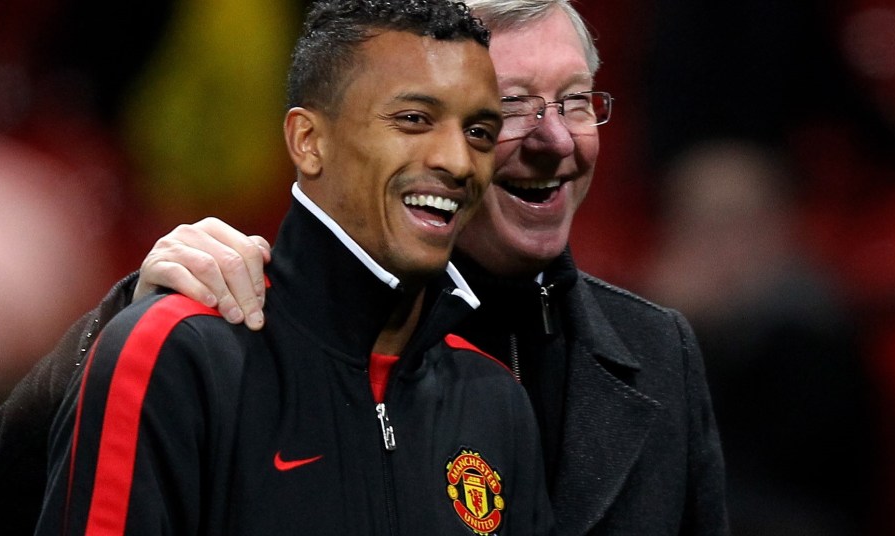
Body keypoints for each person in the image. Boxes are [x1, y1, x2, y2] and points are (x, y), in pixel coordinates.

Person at [0, 0, 728, 534]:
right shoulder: (207, 343)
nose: (556, 140)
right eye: (515, 106)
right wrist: (119, 330)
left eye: (577, 101)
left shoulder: (655, 353)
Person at [29, 0, 556, 533]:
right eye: (414, 120)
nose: (459, 162)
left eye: (479, 133)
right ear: (308, 141)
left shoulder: (496, 401)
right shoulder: (175, 354)